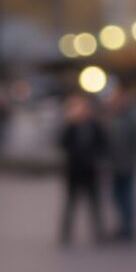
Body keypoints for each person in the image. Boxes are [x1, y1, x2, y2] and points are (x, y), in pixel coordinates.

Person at [56, 94, 109, 246]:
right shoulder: (70, 126)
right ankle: (65, 232)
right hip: (74, 171)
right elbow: (61, 143)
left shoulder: (95, 125)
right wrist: (69, 123)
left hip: (90, 171)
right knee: (70, 203)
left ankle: (99, 231)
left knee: (94, 203)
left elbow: (103, 144)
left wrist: (96, 158)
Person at [106, 84, 136, 243]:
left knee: (127, 197)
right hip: (114, 165)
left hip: (127, 164)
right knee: (117, 197)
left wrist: (134, 160)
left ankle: (128, 227)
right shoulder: (111, 118)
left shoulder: (131, 119)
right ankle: (122, 225)